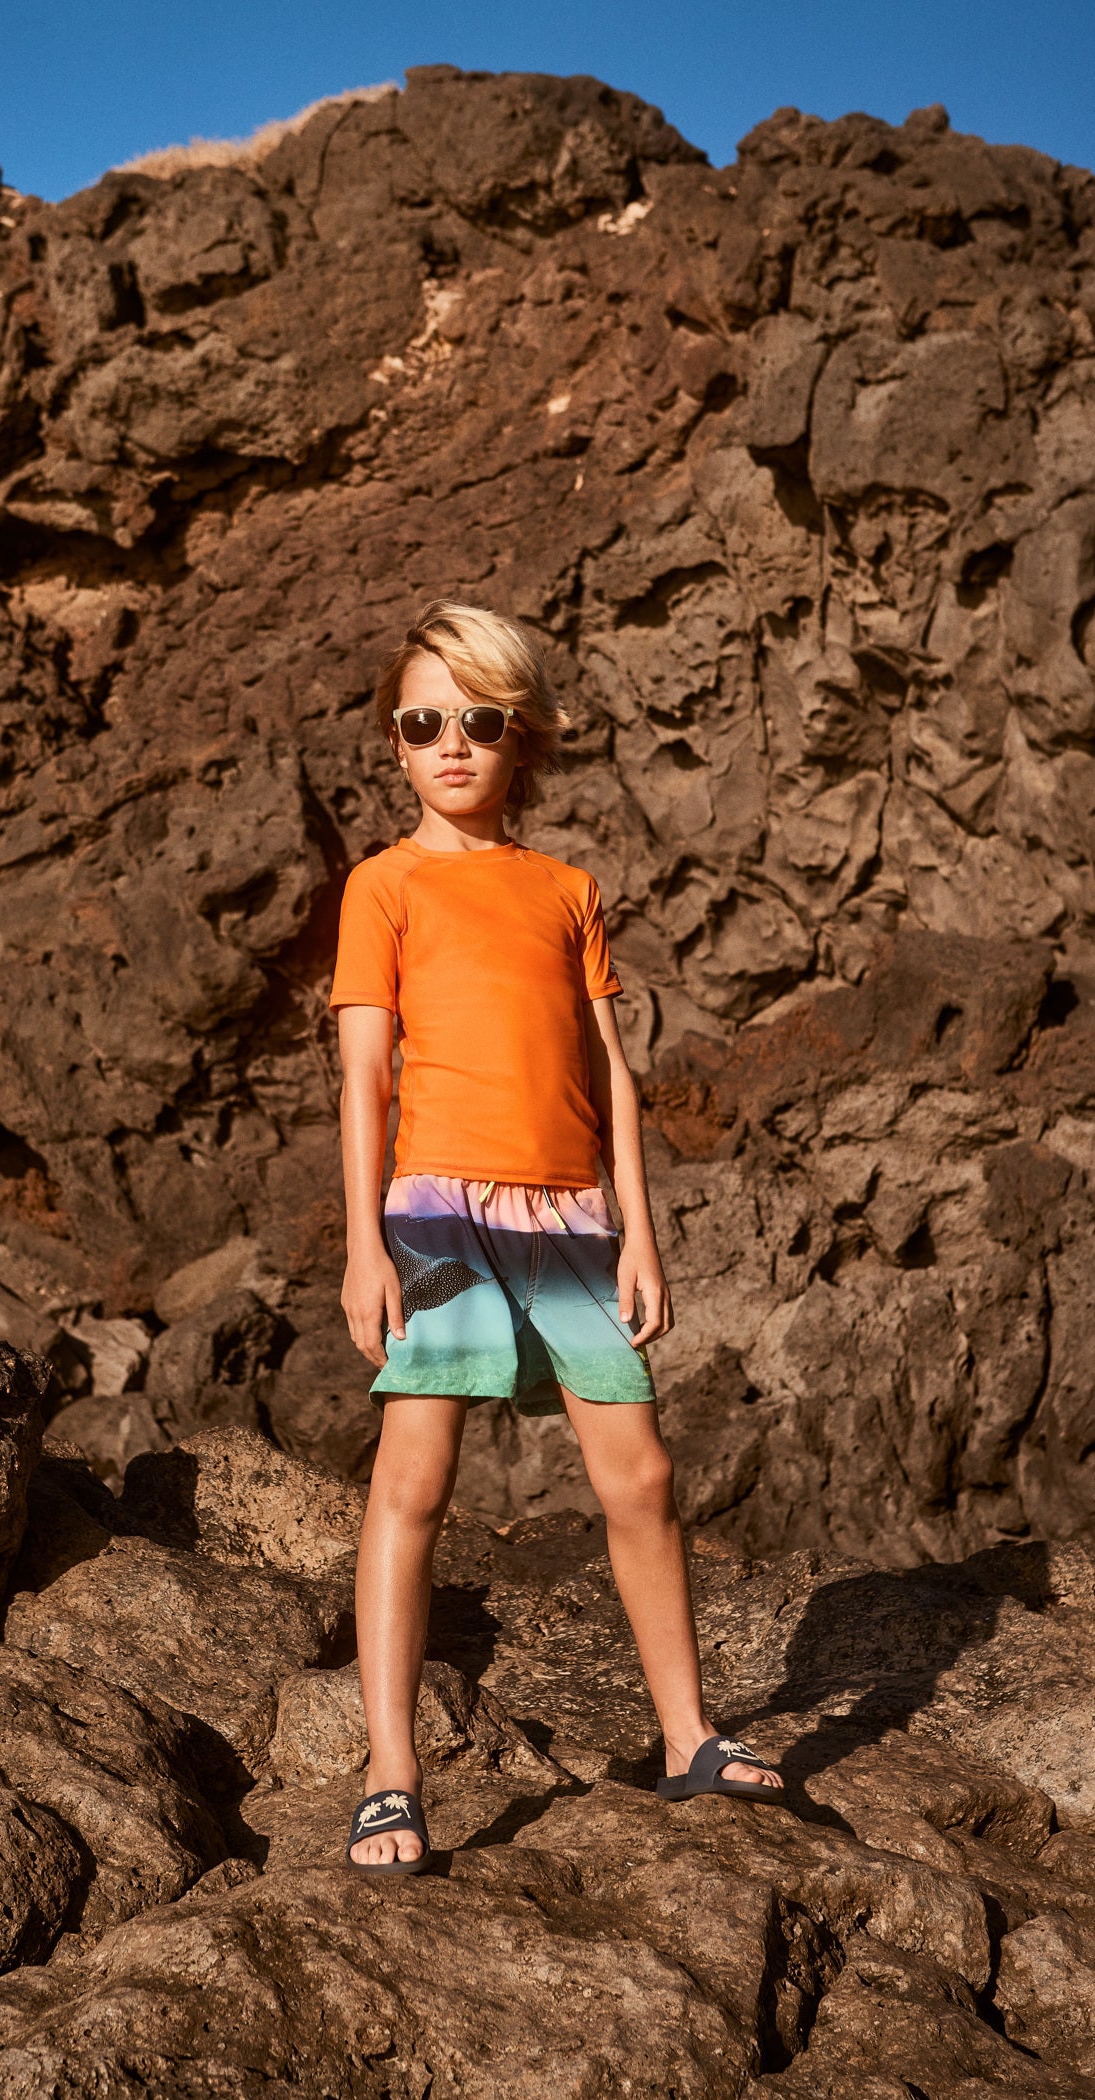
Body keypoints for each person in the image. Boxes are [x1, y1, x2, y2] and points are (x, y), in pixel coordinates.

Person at [328, 600, 788, 1874]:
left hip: (572, 1215)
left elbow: (611, 1074)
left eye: (479, 721)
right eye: (424, 722)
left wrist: (640, 1232)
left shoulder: (566, 890)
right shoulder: (383, 886)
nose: (452, 744)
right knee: (414, 1481)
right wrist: (364, 1247)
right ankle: (390, 1774)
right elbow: (365, 1080)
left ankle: (689, 1737)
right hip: (436, 1211)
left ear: (520, 736)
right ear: (395, 742)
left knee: (639, 1477)